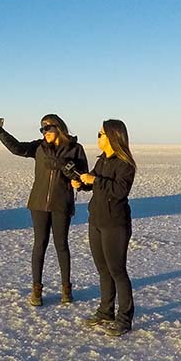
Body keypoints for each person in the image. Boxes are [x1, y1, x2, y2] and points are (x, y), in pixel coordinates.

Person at [0, 114, 88, 306]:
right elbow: (16, 148)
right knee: (39, 245)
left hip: (61, 204)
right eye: (42, 129)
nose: (44, 133)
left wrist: (73, 176)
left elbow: (84, 178)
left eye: (47, 129)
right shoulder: (38, 147)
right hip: (38, 204)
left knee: (62, 245)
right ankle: (36, 289)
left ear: (58, 128)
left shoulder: (76, 149)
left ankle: (66, 289)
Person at [73, 120, 137, 336]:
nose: (98, 137)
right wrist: (82, 183)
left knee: (117, 271)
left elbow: (119, 191)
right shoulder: (103, 161)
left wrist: (95, 180)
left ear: (112, 136)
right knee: (103, 270)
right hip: (97, 221)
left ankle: (124, 318)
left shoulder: (125, 163)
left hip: (115, 225)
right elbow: (96, 183)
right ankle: (105, 311)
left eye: (100, 133)